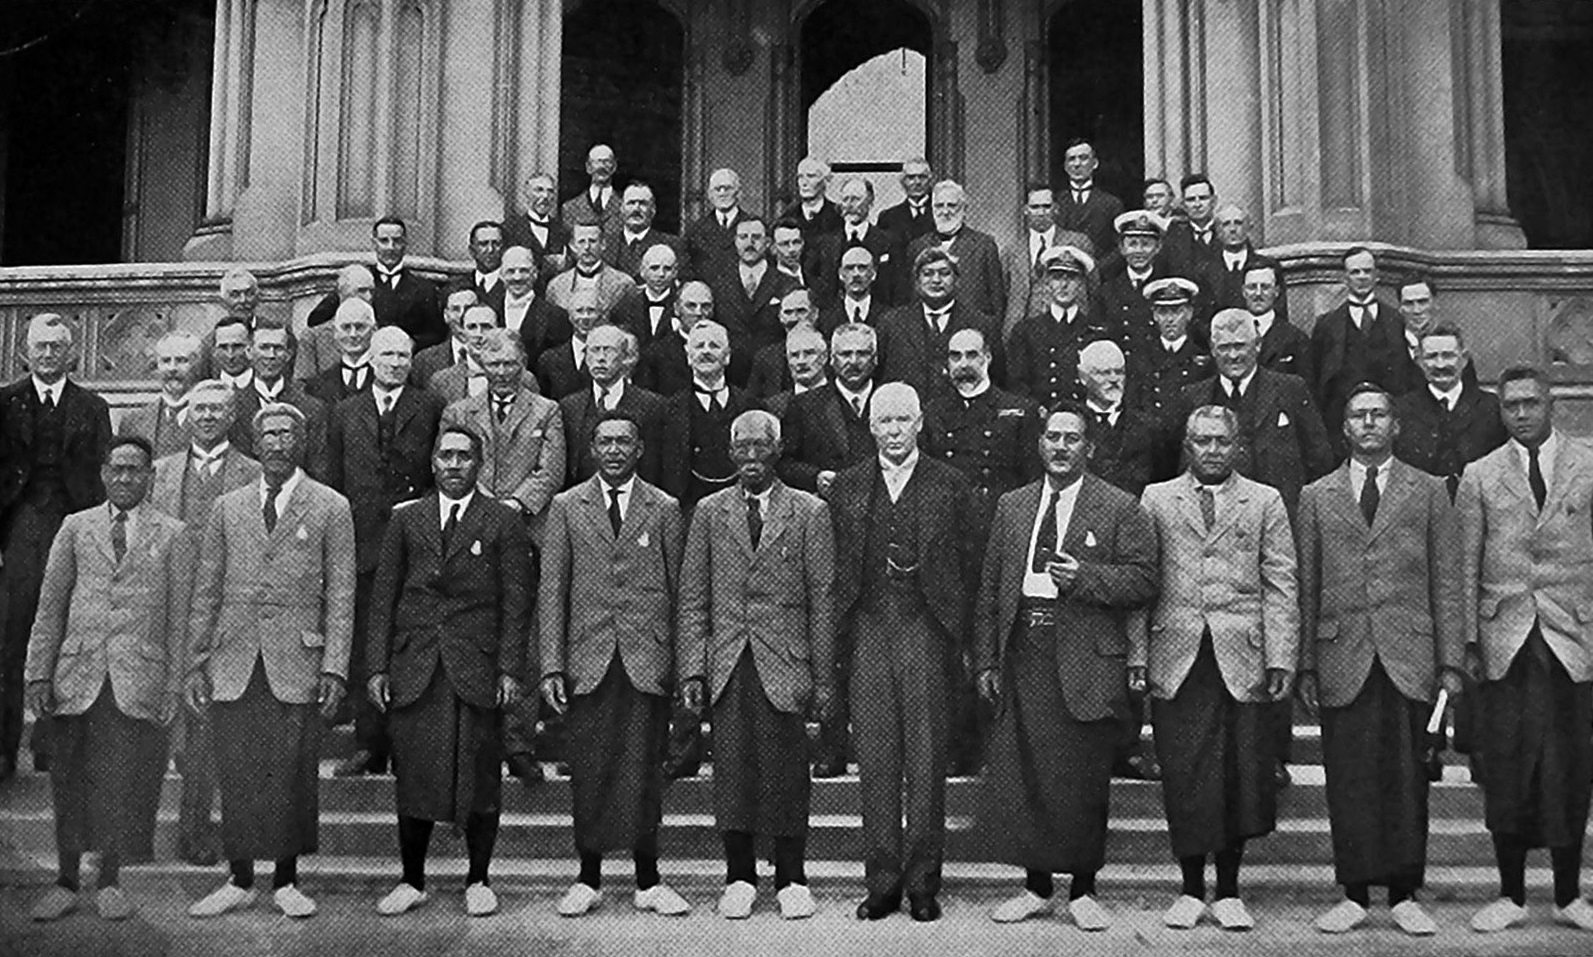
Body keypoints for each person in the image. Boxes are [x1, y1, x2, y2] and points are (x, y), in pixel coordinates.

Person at [974, 404, 1158, 930]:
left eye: (1072, 439)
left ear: (1089, 448)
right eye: (1052, 437)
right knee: (1026, 769)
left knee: (1081, 775)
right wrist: (987, 656)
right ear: (1040, 445)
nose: (1060, 446)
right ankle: (1034, 886)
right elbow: (991, 586)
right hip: (1023, 649)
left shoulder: (1119, 505)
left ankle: (1083, 889)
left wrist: (1086, 578)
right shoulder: (1013, 506)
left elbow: (1145, 580)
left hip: (1084, 652)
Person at [1296, 383, 1463, 937]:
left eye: (1378, 415)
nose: (1368, 423)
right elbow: (1307, 584)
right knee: (1348, 779)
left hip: (1409, 654)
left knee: (1406, 778)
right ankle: (1353, 892)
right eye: (1358, 416)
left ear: (1395, 425)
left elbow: (1446, 578)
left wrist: (1451, 662)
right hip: (1342, 653)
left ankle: (1404, 892)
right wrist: (1306, 664)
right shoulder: (1316, 496)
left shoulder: (1429, 491)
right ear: (1344, 428)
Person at [184, 403, 356, 919]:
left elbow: (342, 592)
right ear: (255, 445)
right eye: (269, 435)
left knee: (291, 771)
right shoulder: (228, 506)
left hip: (297, 657)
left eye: (287, 434)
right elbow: (206, 588)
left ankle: (286, 879)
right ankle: (238, 877)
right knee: (234, 769)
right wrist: (195, 661)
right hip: (234, 656)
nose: (278, 443)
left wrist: (335, 665)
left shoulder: (329, 505)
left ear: (302, 443)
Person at [1133, 405, 1298, 931]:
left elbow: (1281, 583)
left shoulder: (1265, 500)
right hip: (1177, 654)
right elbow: (1142, 583)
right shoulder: (1156, 499)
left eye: (1221, 442)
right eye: (1201, 441)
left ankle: (1228, 889)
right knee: (1185, 774)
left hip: (1241, 654)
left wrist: (1281, 655)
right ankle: (1189, 888)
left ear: (1237, 445)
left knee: (1238, 775)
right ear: (1187, 444)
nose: (1211, 451)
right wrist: (1137, 654)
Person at [366, 427, 531, 918]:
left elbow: (517, 602)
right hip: (416, 662)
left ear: (479, 464)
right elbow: (383, 598)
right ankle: (411, 879)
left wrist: (509, 668)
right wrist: (377, 666)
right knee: (414, 773)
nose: (454, 465)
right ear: (432, 462)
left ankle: (478, 878)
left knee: (479, 774)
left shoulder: (502, 521)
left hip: (475, 665)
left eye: (464, 457)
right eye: (446, 456)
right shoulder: (406, 520)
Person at [677, 410, 836, 920]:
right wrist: (694, 669)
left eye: (760, 447)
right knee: (733, 772)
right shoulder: (708, 511)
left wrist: (822, 675)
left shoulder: (809, 511)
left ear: (778, 449)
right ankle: (740, 876)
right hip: (727, 661)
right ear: (729, 453)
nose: (750, 458)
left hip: (786, 662)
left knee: (787, 772)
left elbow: (823, 599)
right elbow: (692, 598)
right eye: (741, 448)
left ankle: (791, 877)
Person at [829, 383, 977, 922]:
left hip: (925, 629)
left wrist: (961, 637)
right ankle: (883, 881)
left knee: (926, 759)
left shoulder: (950, 485)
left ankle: (923, 882)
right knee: (876, 761)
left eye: (902, 421)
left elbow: (970, 563)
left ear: (920, 424)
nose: (893, 431)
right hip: (868, 628)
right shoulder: (846, 488)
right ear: (871, 428)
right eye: (884, 422)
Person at [24, 436, 187, 923]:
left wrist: (173, 685)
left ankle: (110, 879)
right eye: (116, 469)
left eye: (135, 470)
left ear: (151, 477)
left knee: (121, 782)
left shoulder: (173, 534)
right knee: (69, 780)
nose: (124, 478)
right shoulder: (76, 528)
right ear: (102, 474)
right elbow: (50, 606)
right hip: (77, 674)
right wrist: (38, 672)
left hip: (135, 677)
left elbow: (178, 617)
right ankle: (66, 880)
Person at [540, 411, 692, 919]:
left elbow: (681, 593)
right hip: (589, 657)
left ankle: (649, 880)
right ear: (591, 449)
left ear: (640, 449)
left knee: (645, 772)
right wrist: (552, 665)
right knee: (590, 770)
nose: (613, 450)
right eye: (604, 442)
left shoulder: (664, 507)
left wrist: (681, 662)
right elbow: (552, 591)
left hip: (646, 660)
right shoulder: (566, 506)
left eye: (623, 442)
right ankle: (588, 877)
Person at [1458, 366, 1593, 934]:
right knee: (1507, 769)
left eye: (1531, 403)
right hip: (1505, 641)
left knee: (1570, 768)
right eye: (1511, 405)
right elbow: (1466, 564)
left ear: (1552, 405)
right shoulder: (1480, 474)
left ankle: (1569, 894)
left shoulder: (1588, 464)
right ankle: (1510, 894)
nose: (1521, 413)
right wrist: (1466, 642)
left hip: (1572, 638)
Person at [149, 380, 262, 866]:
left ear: (233, 414)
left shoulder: (253, 473)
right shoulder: (160, 471)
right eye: (200, 408)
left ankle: (194, 830)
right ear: (187, 414)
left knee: (206, 726)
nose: (208, 416)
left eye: (218, 408)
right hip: (167, 605)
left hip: (224, 612)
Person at [325, 326, 446, 777]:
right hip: (361, 543)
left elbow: (441, 470)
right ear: (370, 359)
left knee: (412, 641)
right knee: (364, 644)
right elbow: (333, 479)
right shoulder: (344, 412)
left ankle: (410, 745)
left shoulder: (430, 406)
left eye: (402, 355)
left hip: (415, 541)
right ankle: (369, 743)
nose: (395, 363)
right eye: (387, 355)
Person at [920, 328, 1041, 778]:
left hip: (1005, 543)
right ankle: (962, 744)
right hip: (954, 549)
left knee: (1006, 645)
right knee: (957, 648)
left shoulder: (1020, 412)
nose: (964, 364)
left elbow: (1033, 483)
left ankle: (1008, 746)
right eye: (955, 356)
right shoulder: (932, 414)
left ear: (988, 357)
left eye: (972, 354)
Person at [0, 314, 111, 781]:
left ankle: (54, 743)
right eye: (40, 347)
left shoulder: (92, 406)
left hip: (76, 524)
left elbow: (105, 474)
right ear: (26, 352)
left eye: (56, 347)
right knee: (12, 636)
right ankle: (4, 748)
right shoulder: (5, 403)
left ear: (72, 353)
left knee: (71, 637)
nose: (48, 355)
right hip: (21, 525)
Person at [877, 246, 1005, 407]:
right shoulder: (891, 324)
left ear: (957, 280)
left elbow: (999, 380)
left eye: (944, 273)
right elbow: (879, 376)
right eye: (927, 273)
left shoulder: (982, 324)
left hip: (963, 421)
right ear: (917, 282)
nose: (936, 280)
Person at [1393, 323, 1505, 500]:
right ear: (1419, 361)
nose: (1440, 364)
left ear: (1465, 358)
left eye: (1448, 356)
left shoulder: (1492, 407)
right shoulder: (1399, 411)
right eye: (1431, 357)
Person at [1310, 246, 1404, 454]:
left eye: (1367, 271)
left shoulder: (1395, 320)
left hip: (1386, 426)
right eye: (1355, 272)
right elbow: (1317, 379)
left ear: (1376, 276)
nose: (1362, 277)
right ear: (1345, 278)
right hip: (1340, 426)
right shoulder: (1327, 325)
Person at [1006, 245, 1115, 415]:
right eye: (1057, 277)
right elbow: (1016, 383)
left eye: (1071, 278)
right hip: (1040, 418)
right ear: (1047, 282)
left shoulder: (1095, 333)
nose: (1064, 284)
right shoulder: (1026, 331)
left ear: (1080, 283)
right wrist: (1036, 410)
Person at [560, 325, 668, 488]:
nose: (601, 358)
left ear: (624, 357)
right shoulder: (569, 407)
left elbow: (656, 466)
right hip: (581, 503)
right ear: (586, 357)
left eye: (608, 350)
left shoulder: (652, 406)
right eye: (594, 351)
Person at [229, 325, 329, 478]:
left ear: (288, 354)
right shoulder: (233, 406)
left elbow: (319, 469)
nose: (271, 355)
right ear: (249, 352)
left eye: (278, 348)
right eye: (264, 347)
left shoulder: (312, 408)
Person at [905, 180, 1007, 320]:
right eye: (939, 206)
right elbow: (912, 298)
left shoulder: (984, 246)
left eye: (952, 205)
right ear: (932, 209)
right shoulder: (917, 247)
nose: (945, 212)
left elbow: (997, 301)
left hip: (972, 331)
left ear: (964, 209)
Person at [1136, 278, 1214, 460]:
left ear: (1189, 313)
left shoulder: (1203, 361)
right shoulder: (1140, 359)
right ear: (1154, 315)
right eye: (1163, 312)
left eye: (1177, 311)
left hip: (1189, 451)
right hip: (1150, 450)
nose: (1170, 319)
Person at [1004, 184, 1092, 336]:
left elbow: (1092, 287)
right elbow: (1003, 293)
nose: (1041, 212)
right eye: (1035, 207)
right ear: (1025, 210)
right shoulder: (1011, 251)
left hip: (1067, 329)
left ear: (1056, 209)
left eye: (1046, 206)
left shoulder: (1078, 243)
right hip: (1023, 333)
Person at [709, 216, 799, 362]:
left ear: (768, 243)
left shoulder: (788, 284)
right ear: (735, 241)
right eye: (743, 237)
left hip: (774, 368)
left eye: (756, 237)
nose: (749, 243)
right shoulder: (718, 284)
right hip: (731, 367)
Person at [1097, 211, 1174, 355]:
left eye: (1146, 244)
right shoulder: (1108, 290)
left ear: (1158, 247)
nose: (1139, 251)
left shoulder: (1165, 288)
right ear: (1122, 248)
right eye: (1132, 244)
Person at [118, 330, 202, 459]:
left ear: (197, 364)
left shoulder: (213, 417)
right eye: (166, 361)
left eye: (181, 360)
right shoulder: (133, 422)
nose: (172, 368)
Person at [368, 216, 446, 349]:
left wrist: (413, 343)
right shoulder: (360, 282)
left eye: (397, 241)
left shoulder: (425, 289)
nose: (390, 247)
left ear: (405, 243)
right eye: (384, 241)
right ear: (373, 243)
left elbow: (437, 334)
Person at [636, 280, 717, 398]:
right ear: (676, 309)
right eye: (691, 306)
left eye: (706, 306)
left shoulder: (725, 349)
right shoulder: (655, 354)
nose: (699, 313)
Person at [298, 264, 377, 381]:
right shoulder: (313, 338)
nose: (369, 297)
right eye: (362, 291)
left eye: (372, 291)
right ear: (342, 293)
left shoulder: (382, 335)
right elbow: (302, 385)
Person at [1052, 140, 1125, 265]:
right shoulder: (1054, 202)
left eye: (1083, 158)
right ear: (1065, 166)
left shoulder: (1111, 204)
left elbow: (1120, 246)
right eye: (1071, 159)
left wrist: (1098, 270)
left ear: (1095, 163)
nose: (1077, 164)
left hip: (1101, 276)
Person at [545, 223, 640, 318]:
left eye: (592, 241)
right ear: (572, 246)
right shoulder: (556, 286)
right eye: (581, 241)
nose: (587, 247)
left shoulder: (624, 284)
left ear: (603, 244)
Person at [499, 245, 574, 361]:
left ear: (535, 274)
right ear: (501, 275)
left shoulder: (556, 316)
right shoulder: (490, 310)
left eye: (524, 271)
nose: (517, 277)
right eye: (511, 271)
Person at [603, 181, 688, 280]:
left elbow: (684, 284)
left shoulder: (673, 245)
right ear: (621, 209)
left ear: (653, 210)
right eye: (631, 203)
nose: (636, 209)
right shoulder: (605, 245)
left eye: (643, 203)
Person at [683, 167, 753, 286]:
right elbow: (687, 268)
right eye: (717, 189)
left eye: (727, 188)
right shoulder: (695, 230)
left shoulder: (752, 225)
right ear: (710, 195)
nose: (722, 193)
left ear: (738, 193)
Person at [1246, 262, 1312, 383]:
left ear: (1276, 291)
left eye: (1265, 287)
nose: (1258, 293)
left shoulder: (1296, 339)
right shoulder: (1232, 334)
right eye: (1252, 287)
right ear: (1244, 292)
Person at [747, 288, 817, 399]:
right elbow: (752, 401)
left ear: (815, 314)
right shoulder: (765, 357)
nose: (793, 319)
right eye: (788, 312)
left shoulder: (832, 351)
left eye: (801, 311)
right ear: (780, 317)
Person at [306, 298, 377, 405]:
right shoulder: (317, 385)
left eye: (360, 327)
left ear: (374, 330)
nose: (353, 334)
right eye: (346, 327)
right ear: (335, 333)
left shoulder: (385, 377)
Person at [611, 243, 682, 350]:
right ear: (642, 271)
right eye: (654, 268)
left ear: (675, 272)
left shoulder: (683, 304)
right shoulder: (626, 304)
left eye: (667, 269)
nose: (661, 274)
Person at [502, 172, 571, 277]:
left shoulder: (563, 230)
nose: (545, 196)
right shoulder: (509, 229)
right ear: (526, 193)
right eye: (539, 190)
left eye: (550, 191)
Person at [410, 287, 480, 388]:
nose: (462, 315)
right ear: (446, 316)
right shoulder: (423, 362)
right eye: (455, 309)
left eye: (469, 308)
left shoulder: (498, 357)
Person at [535, 290, 600, 400]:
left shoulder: (609, 356)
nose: (585, 317)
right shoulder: (549, 359)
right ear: (570, 316)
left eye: (591, 311)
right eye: (579, 311)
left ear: (599, 315)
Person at [767, 324, 829, 421]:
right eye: (794, 355)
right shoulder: (774, 407)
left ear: (824, 357)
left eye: (809, 353)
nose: (801, 361)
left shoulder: (842, 399)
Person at [819, 246, 887, 335]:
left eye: (862, 268)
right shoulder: (825, 318)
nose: (856, 274)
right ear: (841, 274)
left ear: (873, 273)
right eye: (849, 268)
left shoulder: (887, 316)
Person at [560, 144, 621, 233]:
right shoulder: (570, 208)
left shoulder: (624, 207)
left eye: (607, 161)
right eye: (597, 162)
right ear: (588, 167)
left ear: (614, 167)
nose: (601, 167)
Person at [779, 156, 843, 241]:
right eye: (800, 177)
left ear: (824, 180)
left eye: (811, 176)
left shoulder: (838, 215)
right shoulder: (787, 216)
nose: (804, 183)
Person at [877, 157, 935, 242]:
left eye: (922, 177)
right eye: (911, 178)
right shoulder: (888, 217)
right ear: (903, 182)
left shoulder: (940, 212)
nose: (917, 182)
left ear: (930, 180)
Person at [459, 220, 506, 318]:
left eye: (496, 244)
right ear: (472, 250)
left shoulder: (512, 286)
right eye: (483, 244)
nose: (490, 250)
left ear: (504, 249)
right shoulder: (458, 286)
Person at [209, 318, 256, 391]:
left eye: (237, 346)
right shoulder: (208, 388)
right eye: (223, 347)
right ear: (214, 351)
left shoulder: (264, 386)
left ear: (251, 348)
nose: (230, 355)